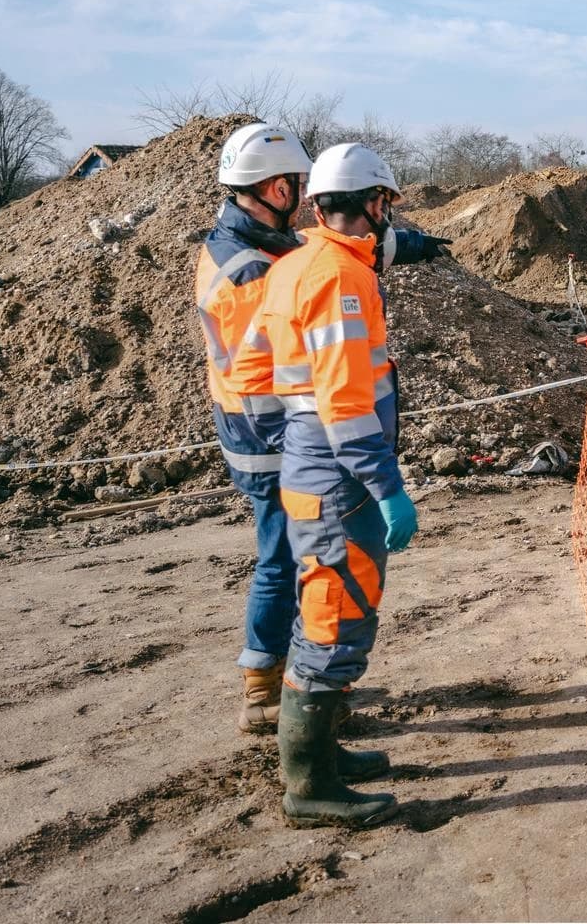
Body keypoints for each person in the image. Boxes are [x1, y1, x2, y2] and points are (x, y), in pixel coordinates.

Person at [195, 124, 449, 739]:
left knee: (301, 557)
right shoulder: (255, 266)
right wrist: (320, 449)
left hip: (276, 421)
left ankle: (300, 676)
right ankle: (269, 686)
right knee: (287, 557)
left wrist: (425, 245)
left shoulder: (259, 244)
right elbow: (298, 368)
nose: (303, 194)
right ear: (277, 187)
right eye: (296, 185)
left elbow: (358, 243)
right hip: (268, 426)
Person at [257, 142, 421, 826]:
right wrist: (386, 486)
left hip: (309, 463)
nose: (388, 219)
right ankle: (309, 787)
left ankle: (324, 754)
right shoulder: (339, 279)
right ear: (370, 204)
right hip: (339, 476)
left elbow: (265, 372)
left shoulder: (298, 265)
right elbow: (347, 402)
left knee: (322, 611)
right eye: (385, 204)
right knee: (335, 622)